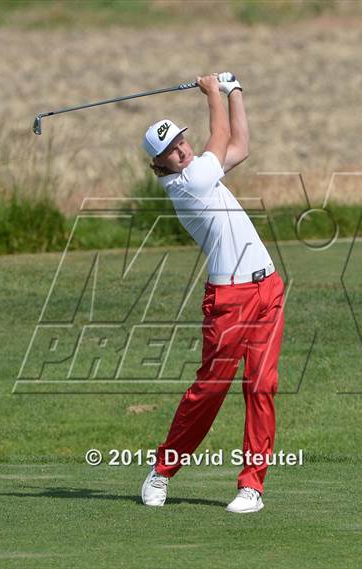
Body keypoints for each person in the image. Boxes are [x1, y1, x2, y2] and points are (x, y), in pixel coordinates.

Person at [140, 72, 285, 514]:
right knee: (210, 389)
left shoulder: (202, 168)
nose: (182, 149)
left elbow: (239, 145)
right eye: (171, 150)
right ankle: (162, 472)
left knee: (262, 387)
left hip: (268, 289)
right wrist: (212, 92)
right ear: (160, 165)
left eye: (181, 142)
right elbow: (220, 133)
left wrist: (236, 88)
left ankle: (251, 487)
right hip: (230, 301)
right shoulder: (188, 184)